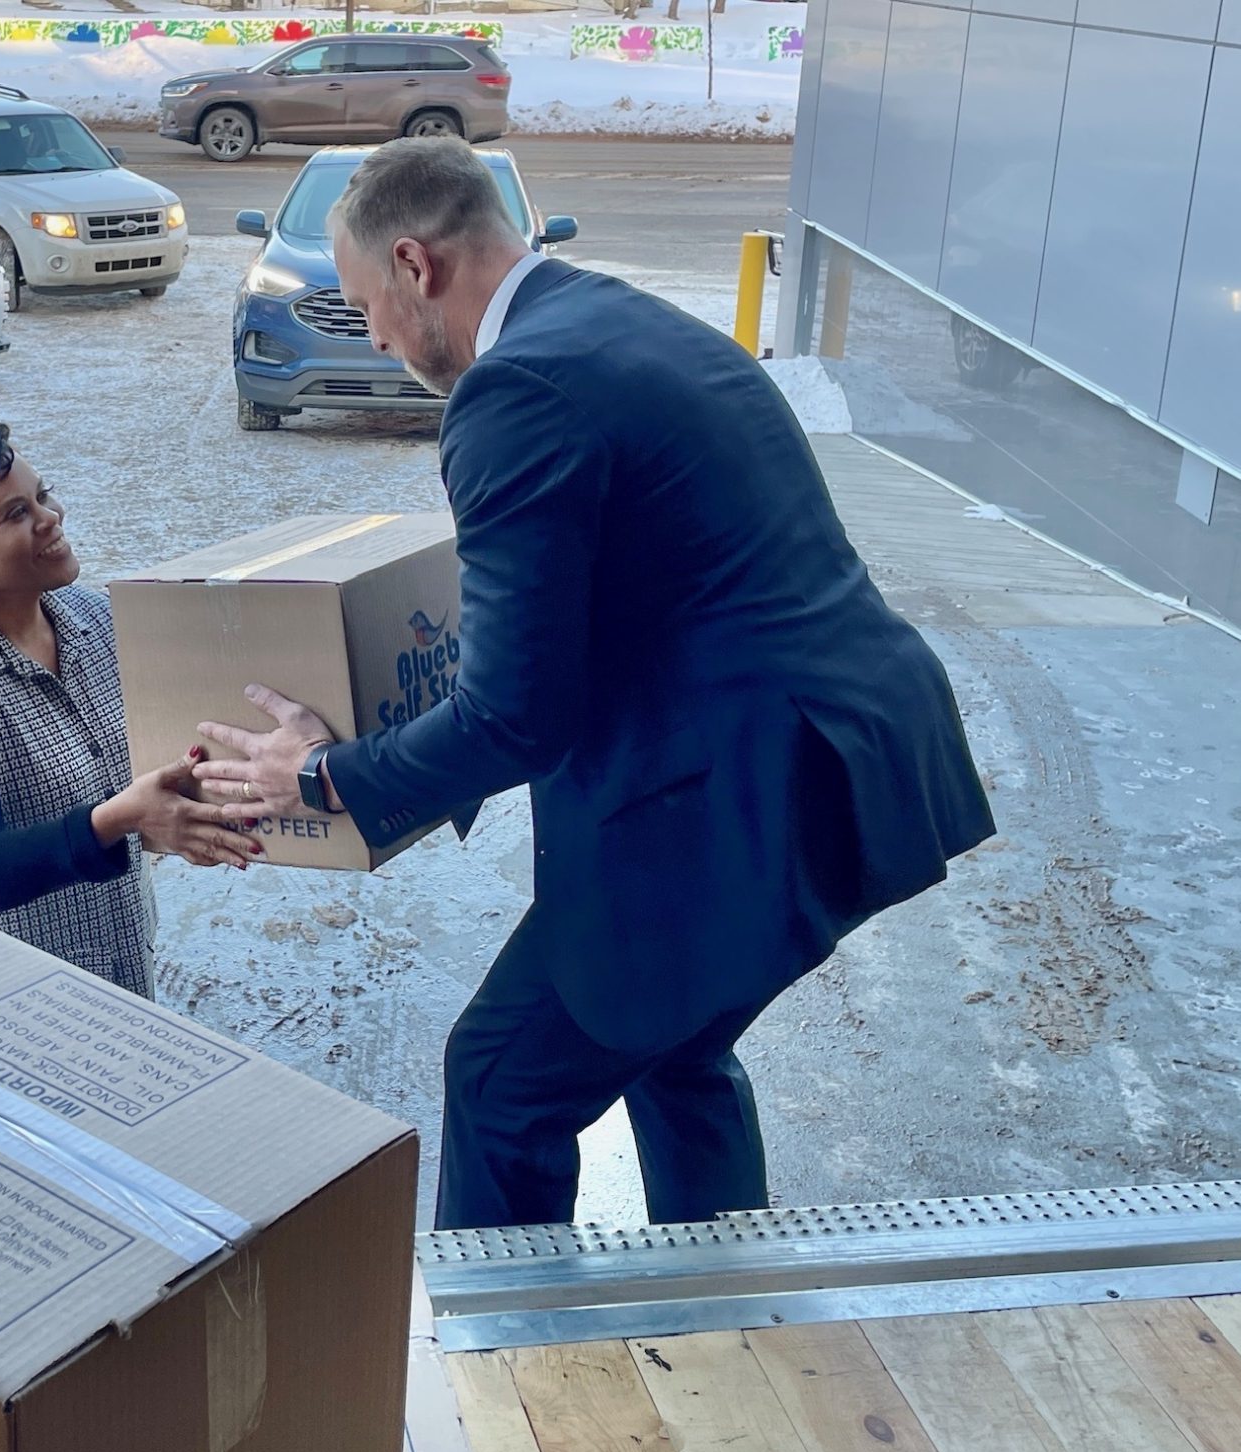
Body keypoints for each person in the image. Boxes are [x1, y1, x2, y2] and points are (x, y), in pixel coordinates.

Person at [193, 138, 996, 1231]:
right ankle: (719, 1308)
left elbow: (518, 715)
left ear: (415, 265)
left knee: (498, 1079)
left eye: (367, 301)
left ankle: (516, 1361)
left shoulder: (513, 390)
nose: (374, 334)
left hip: (743, 799)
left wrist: (326, 774)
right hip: (841, 753)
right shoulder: (627, 320)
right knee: (677, 1047)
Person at [0, 419, 257, 998]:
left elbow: (137, 777)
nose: (50, 518)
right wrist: (123, 820)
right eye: (15, 515)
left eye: (42, 495)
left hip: (110, 962)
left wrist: (175, 820)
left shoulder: (98, 620)